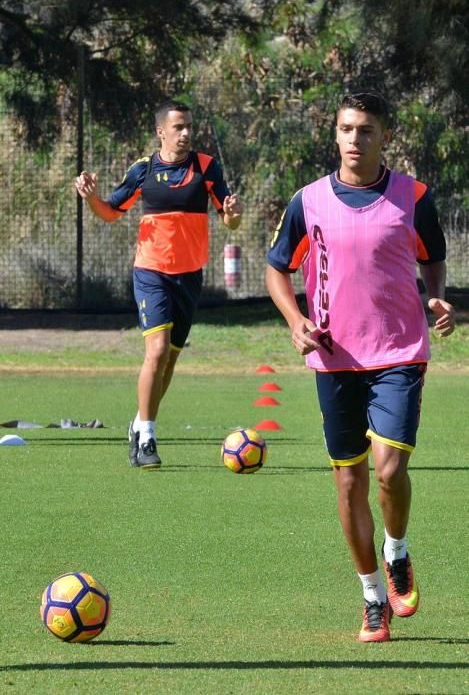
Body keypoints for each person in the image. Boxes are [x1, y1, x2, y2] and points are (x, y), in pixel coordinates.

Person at [266, 91, 455, 642]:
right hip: (334, 358)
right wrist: (294, 320)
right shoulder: (308, 201)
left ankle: (397, 552)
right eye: (347, 129)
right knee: (349, 482)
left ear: (384, 137)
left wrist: (437, 297)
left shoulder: (413, 197)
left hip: (398, 351)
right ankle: (373, 597)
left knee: (390, 470)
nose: (356, 139)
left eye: (367, 130)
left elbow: (433, 256)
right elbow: (277, 269)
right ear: (336, 135)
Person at [75, 100, 242, 470]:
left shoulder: (206, 167)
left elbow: (228, 220)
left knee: (169, 359)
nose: (185, 134)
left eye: (188, 127)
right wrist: (91, 199)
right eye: (178, 127)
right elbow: (110, 213)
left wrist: (232, 216)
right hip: (151, 272)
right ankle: (148, 437)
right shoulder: (144, 170)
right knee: (157, 351)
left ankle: (138, 422)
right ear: (161, 131)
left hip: (190, 275)